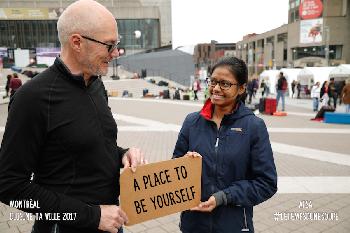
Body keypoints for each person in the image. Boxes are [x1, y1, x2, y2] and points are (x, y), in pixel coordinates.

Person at [0, 1, 146, 233]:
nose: (116, 53)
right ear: (77, 42)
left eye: (116, 44)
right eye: (109, 45)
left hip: (112, 223)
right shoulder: (32, 98)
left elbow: (89, 145)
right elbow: (9, 188)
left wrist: (122, 155)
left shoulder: (96, 85)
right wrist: (91, 216)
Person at [173, 57, 277, 233]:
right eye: (213, 81)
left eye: (225, 84)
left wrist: (224, 197)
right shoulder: (192, 122)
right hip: (194, 224)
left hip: (233, 225)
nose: (216, 88)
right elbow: (174, 167)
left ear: (242, 88)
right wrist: (183, 163)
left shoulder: (254, 127)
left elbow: (266, 183)